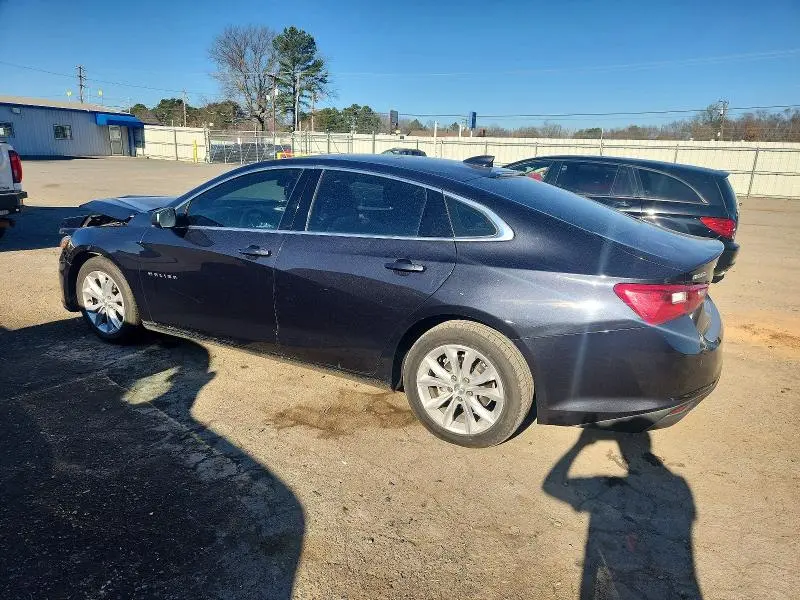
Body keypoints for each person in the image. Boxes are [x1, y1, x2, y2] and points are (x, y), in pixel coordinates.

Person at [543, 429, 702, 600]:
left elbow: (551, 485)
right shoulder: (678, 485)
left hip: (615, 575)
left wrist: (579, 445)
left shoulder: (612, 487)